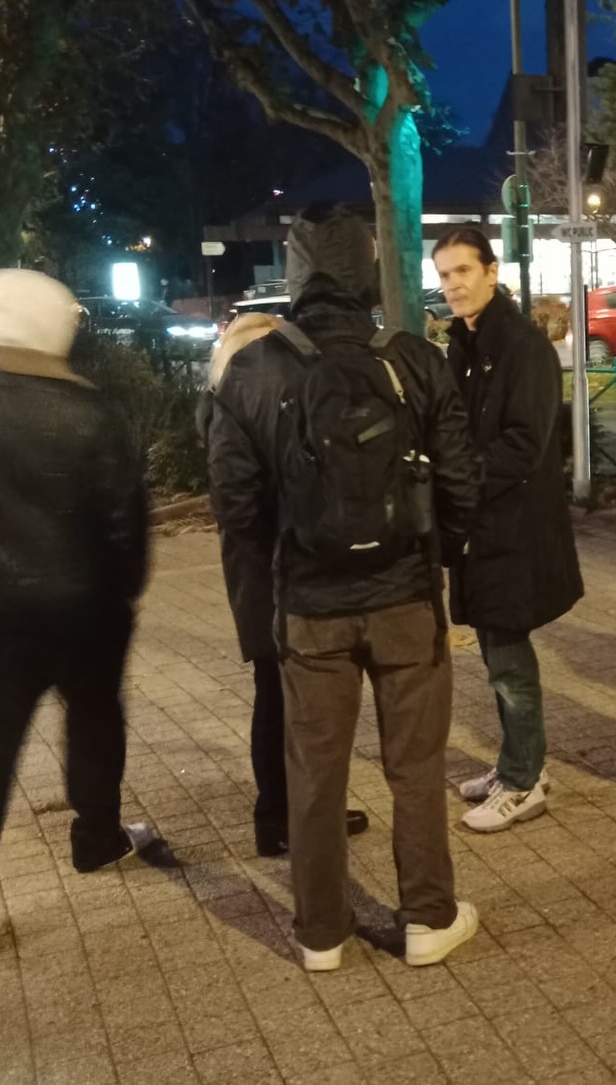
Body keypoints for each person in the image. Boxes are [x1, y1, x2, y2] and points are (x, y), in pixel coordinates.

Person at [207, 204, 484, 971]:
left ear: (294, 273)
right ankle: (427, 916)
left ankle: (321, 932)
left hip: (310, 609)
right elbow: (463, 483)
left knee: (316, 771)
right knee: (416, 766)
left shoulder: (252, 371)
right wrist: (438, 555)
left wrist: (276, 575)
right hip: (403, 599)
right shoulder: (414, 358)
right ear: (368, 270)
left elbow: (233, 504)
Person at [0, 269, 154, 939]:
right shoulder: (89, 409)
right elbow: (123, 517)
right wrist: (125, 587)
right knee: (94, 717)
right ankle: (98, 833)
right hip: (84, 605)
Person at [199, 313, 371, 857]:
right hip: (268, 577)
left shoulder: (232, 405)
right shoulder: (236, 410)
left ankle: (294, 811)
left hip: (263, 576)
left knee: (284, 699)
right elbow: (239, 505)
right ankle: (279, 817)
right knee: (279, 700)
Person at [432, 227, 584, 834]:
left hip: (514, 530)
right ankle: (517, 764)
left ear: (492, 273)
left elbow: (525, 445)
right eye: (444, 275)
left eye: (463, 271)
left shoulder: (522, 347)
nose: (453, 286)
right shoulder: (465, 347)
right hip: (482, 526)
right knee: (498, 651)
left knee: (508, 658)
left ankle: (524, 780)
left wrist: (457, 476)